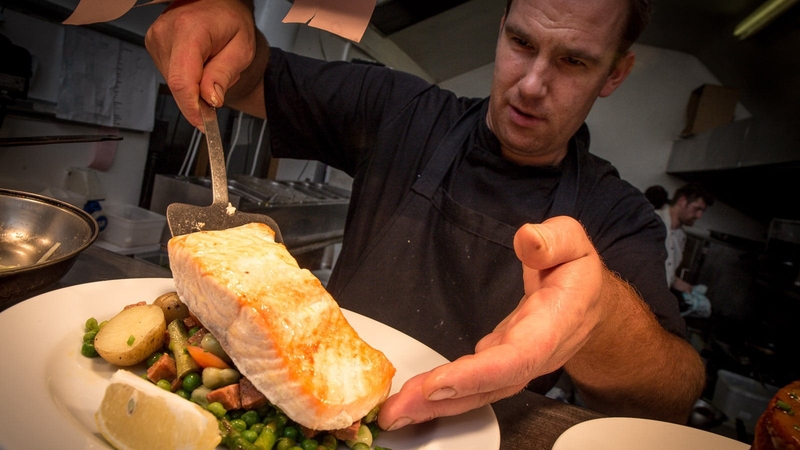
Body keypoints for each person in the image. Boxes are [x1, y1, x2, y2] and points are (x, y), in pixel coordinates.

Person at [144, 0, 706, 429]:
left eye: (574, 61)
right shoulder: (401, 112)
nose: (532, 84)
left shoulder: (620, 215)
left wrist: (600, 314)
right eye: (520, 42)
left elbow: (671, 397)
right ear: (502, 27)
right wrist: (217, 20)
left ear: (614, 73)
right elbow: (251, 77)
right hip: (313, 412)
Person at [656, 183, 715, 295]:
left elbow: (667, 273)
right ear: (682, 201)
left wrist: (689, 289)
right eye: (697, 209)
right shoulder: (652, 220)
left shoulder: (681, 236)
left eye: (702, 211)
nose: (699, 216)